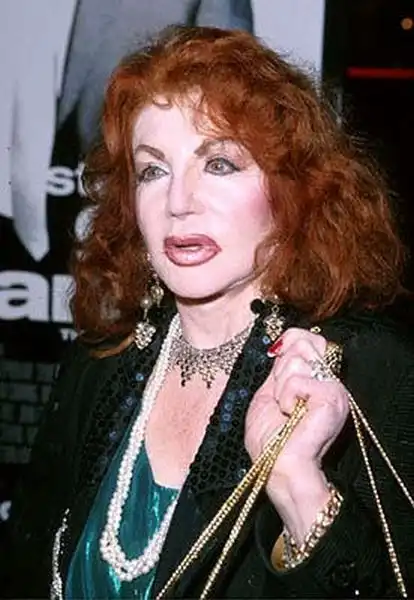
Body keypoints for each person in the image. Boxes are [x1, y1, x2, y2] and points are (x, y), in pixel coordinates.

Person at [3, 25, 414, 599]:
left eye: (219, 163)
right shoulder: (98, 365)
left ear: (292, 191)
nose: (178, 202)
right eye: (153, 170)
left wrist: (298, 487)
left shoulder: (364, 369)